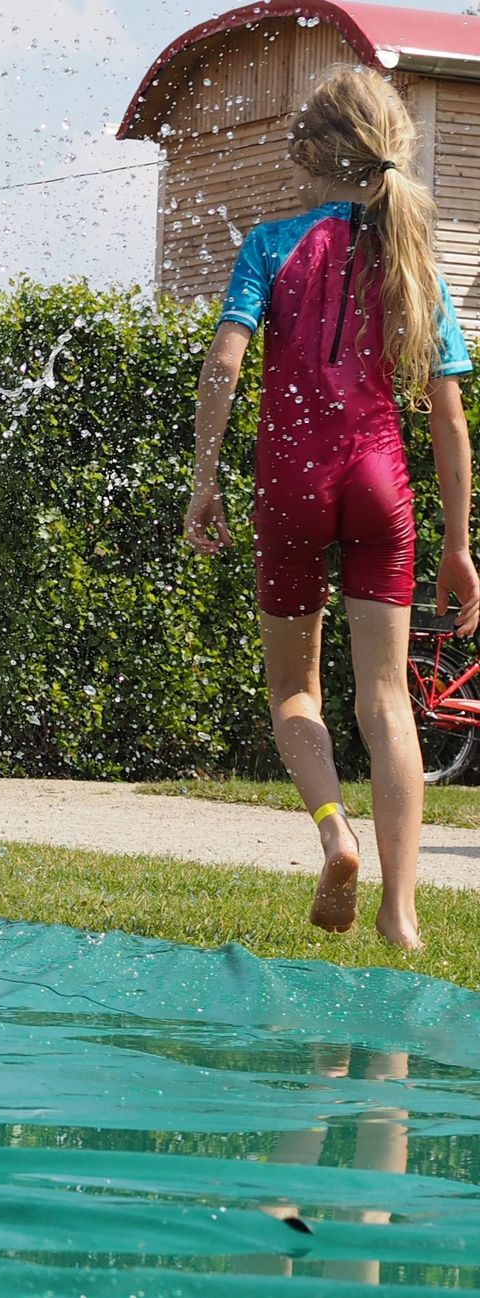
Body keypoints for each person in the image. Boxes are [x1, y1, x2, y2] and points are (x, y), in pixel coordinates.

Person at [187, 64, 480, 951]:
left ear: (312, 151)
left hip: (290, 483)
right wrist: (460, 544)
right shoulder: (416, 259)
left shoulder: (273, 243)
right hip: (381, 482)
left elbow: (226, 363)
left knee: (294, 692)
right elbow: (448, 414)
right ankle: (402, 913)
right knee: (387, 699)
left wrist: (205, 478)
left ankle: (333, 833)